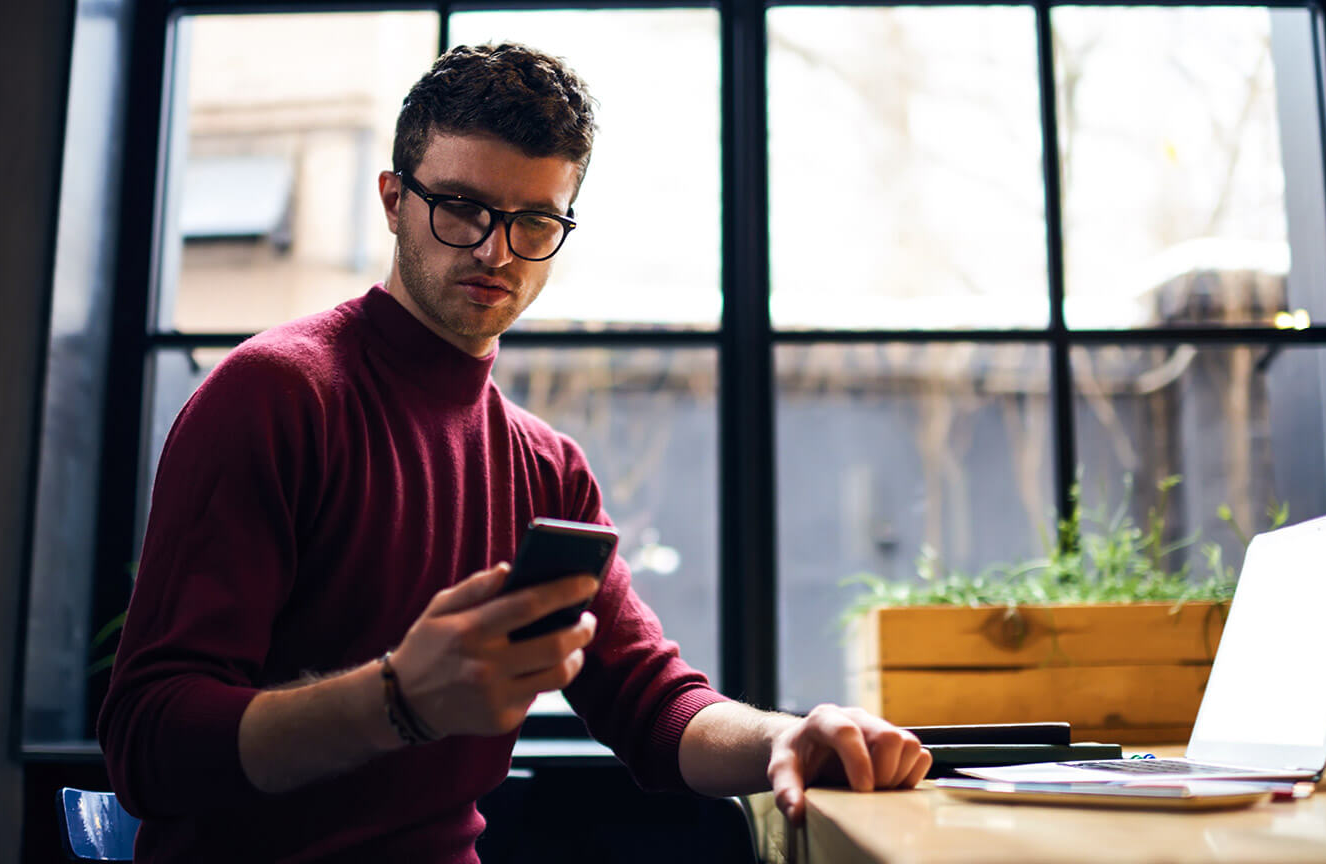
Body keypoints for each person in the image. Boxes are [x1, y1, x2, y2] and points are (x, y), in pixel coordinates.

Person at [99, 42, 931, 862]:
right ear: (394, 200)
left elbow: (651, 703)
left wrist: (791, 737)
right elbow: (148, 741)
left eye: (534, 220)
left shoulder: (547, 467)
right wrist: (396, 700)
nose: (495, 251)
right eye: (460, 206)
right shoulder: (275, 393)